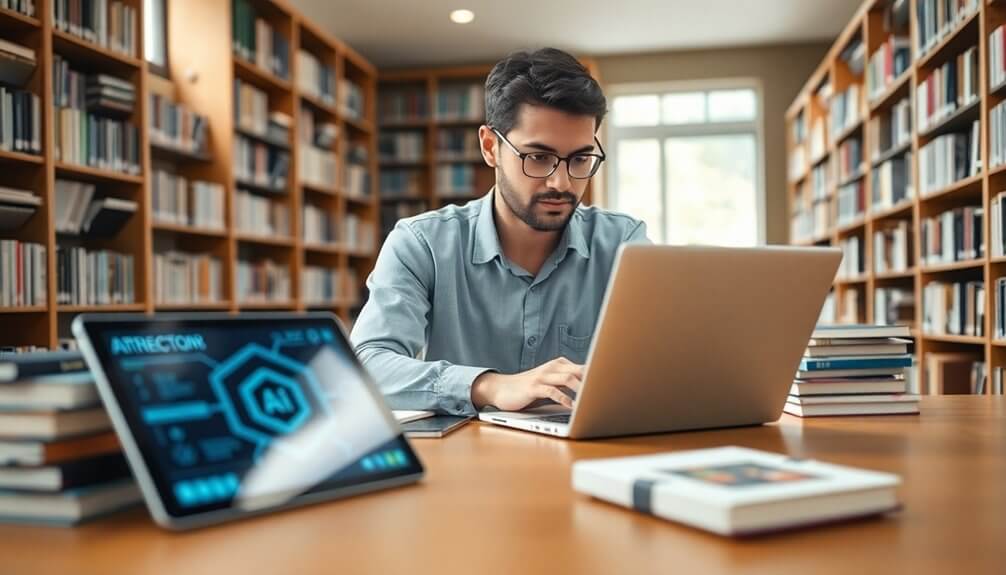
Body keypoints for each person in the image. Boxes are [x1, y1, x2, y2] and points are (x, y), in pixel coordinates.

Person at [351, 47, 648, 416]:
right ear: (490, 147)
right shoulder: (421, 244)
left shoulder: (624, 245)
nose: (561, 181)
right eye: (538, 157)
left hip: (587, 461)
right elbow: (365, 364)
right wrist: (488, 385)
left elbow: (671, 358)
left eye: (580, 159)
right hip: (469, 465)